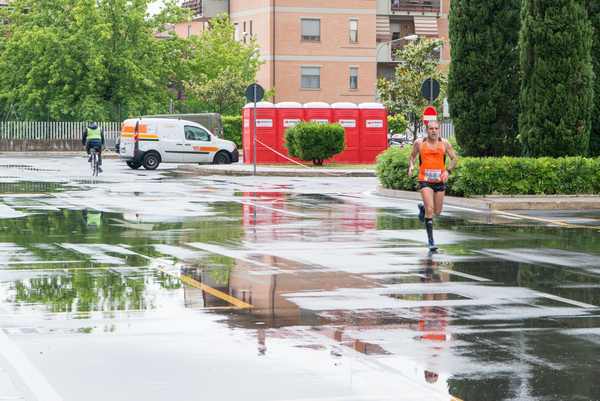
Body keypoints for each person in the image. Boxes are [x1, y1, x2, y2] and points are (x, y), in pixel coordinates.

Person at [407, 120, 458, 251]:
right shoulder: (419, 143)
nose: (433, 131)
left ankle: (423, 208)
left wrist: (448, 171)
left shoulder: (445, 143)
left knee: (437, 211)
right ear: (427, 130)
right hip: (425, 180)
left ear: (439, 130)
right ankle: (431, 241)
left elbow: (454, 158)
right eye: (431, 128)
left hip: (439, 181)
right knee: (431, 209)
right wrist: (411, 166)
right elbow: (412, 157)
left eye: (436, 128)